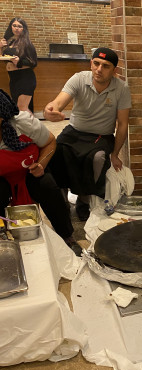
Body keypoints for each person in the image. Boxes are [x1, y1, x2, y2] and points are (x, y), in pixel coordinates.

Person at [43, 47, 131, 221]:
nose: (99, 69)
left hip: (101, 137)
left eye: (105, 66)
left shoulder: (121, 88)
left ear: (114, 70)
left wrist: (115, 154)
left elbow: (122, 124)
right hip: (74, 132)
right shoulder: (79, 79)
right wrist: (51, 110)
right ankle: (62, 201)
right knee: (56, 152)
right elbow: (58, 102)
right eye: (96, 63)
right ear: (91, 63)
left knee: (97, 158)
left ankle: (84, 200)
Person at [0, 89, 82, 256]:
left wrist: (41, 164)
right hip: (2, 179)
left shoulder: (23, 122)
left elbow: (50, 142)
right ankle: (3, 239)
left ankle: (66, 235)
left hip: (28, 172)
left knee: (48, 187)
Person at [0, 17, 37, 113]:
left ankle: (35, 123)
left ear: (24, 29)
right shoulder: (11, 42)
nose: (16, 28)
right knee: (20, 109)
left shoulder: (27, 43)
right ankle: (30, 123)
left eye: (20, 26)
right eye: (14, 25)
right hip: (14, 79)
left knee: (22, 109)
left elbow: (34, 63)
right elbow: (2, 57)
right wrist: (0, 47)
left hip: (25, 78)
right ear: (11, 27)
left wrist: (19, 62)